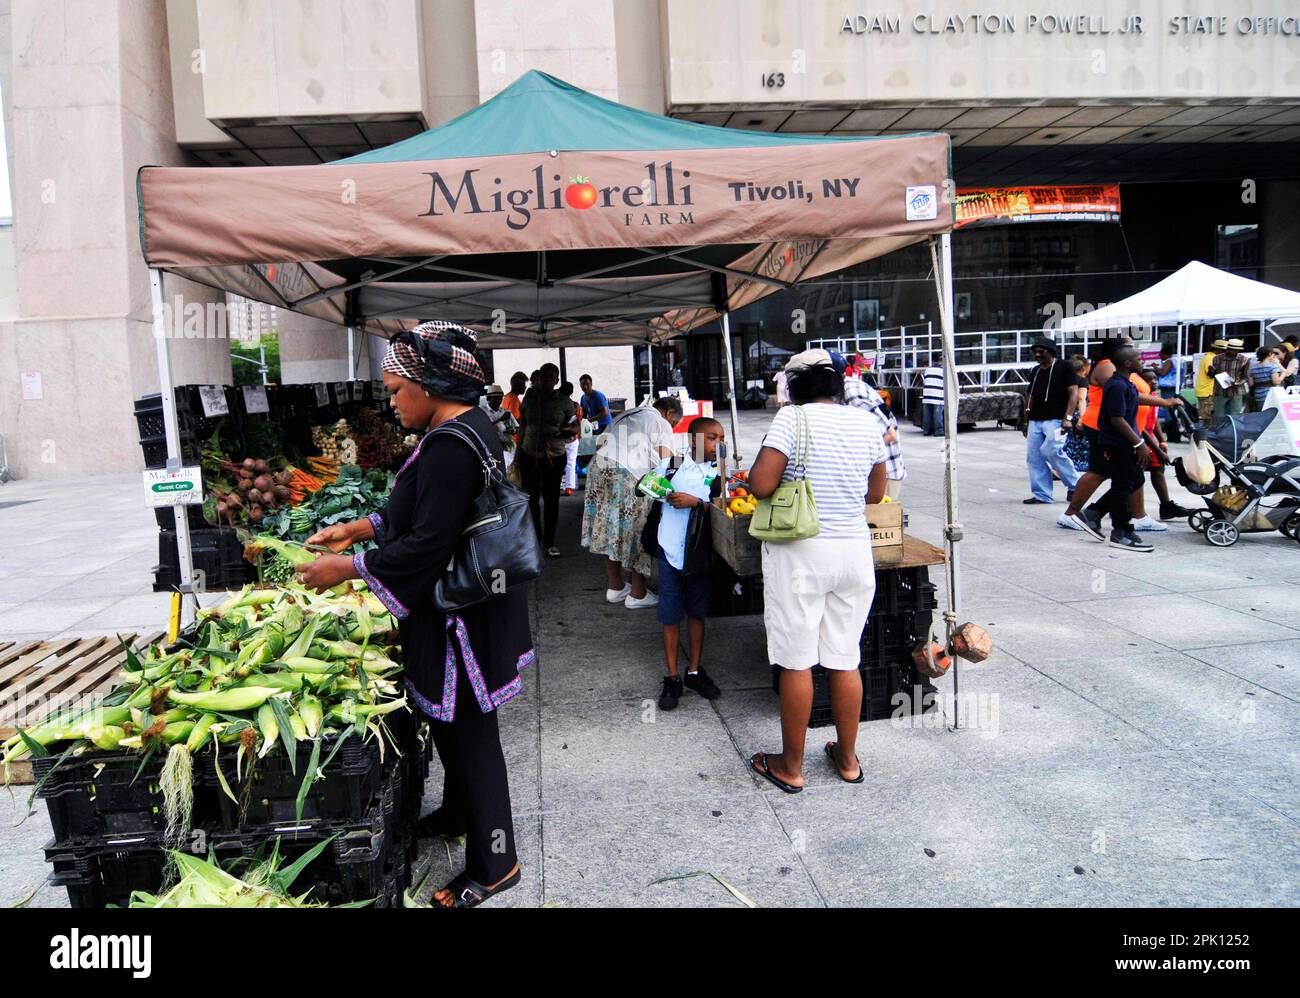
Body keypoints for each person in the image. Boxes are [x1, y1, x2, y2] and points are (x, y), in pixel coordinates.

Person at [299, 320, 529, 908]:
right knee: (452, 726)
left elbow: (428, 543)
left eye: (398, 390)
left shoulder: (452, 444)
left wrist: (349, 567)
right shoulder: (466, 425)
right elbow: (428, 511)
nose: (392, 401)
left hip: (463, 619)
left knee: (473, 735)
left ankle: (496, 862)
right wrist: (361, 526)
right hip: (471, 604)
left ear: (431, 383)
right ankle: (457, 813)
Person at [747, 350, 888, 793]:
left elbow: (761, 485)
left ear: (794, 391)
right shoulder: (867, 422)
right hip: (853, 553)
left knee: (797, 660)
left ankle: (790, 766)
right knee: (846, 658)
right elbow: (876, 491)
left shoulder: (792, 420)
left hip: (801, 553)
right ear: (838, 389)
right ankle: (847, 759)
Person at [645, 417, 725, 711]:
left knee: (697, 611)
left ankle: (694, 670)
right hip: (669, 549)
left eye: (721, 438)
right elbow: (647, 485)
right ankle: (672, 676)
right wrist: (659, 490)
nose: (718, 444)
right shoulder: (673, 464)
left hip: (699, 553)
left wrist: (698, 503)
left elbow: (722, 507)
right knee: (669, 614)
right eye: (712, 438)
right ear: (693, 440)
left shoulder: (719, 472)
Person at [1061, 338, 1180, 534]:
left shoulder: (1127, 372)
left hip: (1129, 428)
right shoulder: (1108, 368)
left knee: (1133, 475)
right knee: (1103, 472)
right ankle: (1074, 514)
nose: (1135, 350)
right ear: (1120, 354)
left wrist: (1151, 442)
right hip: (1107, 428)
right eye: (1129, 346)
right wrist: (1164, 403)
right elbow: (1123, 396)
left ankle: (1135, 516)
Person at [580, 396, 683, 608]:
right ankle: (638, 593)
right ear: (670, 414)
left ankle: (615, 587)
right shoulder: (660, 422)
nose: (671, 427)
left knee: (609, 528)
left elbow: (601, 442)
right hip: (627, 474)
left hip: (598, 468)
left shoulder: (628, 415)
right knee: (638, 529)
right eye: (674, 424)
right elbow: (668, 462)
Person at [1081, 345, 1154, 552]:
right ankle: (1121, 532)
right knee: (1123, 486)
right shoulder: (1116, 386)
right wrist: (1139, 444)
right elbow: (1117, 419)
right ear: (1128, 363)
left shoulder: (1126, 384)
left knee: (1135, 480)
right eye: (1139, 359)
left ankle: (1094, 513)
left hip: (1125, 443)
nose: (1143, 362)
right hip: (1118, 444)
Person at [516, 362, 578, 557]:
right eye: (544, 376)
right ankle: (535, 539)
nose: (547, 380)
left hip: (555, 456)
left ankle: (550, 542)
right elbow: (523, 425)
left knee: (552, 500)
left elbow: (575, 426)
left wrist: (569, 430)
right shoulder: (530, 397)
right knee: (531, 498)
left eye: (551, 377)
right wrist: (518, 454)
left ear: (556, 380)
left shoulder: (564, 401)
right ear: (538, 378)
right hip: (529, 454)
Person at [839, 352, 907, 498]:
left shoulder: (851, 393)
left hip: (883, 473)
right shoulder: (843, 390)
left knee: (880, 518)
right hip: (874, 473)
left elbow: (889, 434)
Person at [1023, 338, 1081, 505]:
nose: (1037, 354)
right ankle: (1042, 494)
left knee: (1052, 450)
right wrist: (1026, 419)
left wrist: (1068, 418)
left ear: (1051, 352)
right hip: (1036, 419)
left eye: (1042, 351)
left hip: (1056, 419)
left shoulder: (1064, 366)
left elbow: (1073, 393)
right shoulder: (1036, 370)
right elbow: (1030, 395)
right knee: (1034, 457)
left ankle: (1075, 485)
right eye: (1035, 351)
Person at [480, 383, 518, 469]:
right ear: (488, 398)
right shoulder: (482, 411)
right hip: (490, 449)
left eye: (500, 398)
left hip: (507, 449)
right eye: (496, 398)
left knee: (508, 471)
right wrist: (500, 419)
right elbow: (482, 429)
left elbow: (517, 428)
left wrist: (512, 430)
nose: (499, 400)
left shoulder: (505, 412)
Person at [1210, 338, 1250, 421]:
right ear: (1228, 349)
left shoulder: (1244, 360)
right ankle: (1219, 431)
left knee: (1235, 415)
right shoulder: (1217, 358)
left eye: (1236, 350)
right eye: (1231, 350)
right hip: (1220, 390)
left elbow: (1246, 376)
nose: (1233, 352)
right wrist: (1211, 371)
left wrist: (1238, 382)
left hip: (1236, 390)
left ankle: (1233, 431)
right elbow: (1212, 374)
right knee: (1219, 415)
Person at [1154, 342, 1182, 442]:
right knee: (1171, 410)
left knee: (1168, 411)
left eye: (1160, 354)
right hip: (1173, 388)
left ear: (1164, 353)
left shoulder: (1169, 361)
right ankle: (1173, 430)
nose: (1159, 356)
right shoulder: (1176, 360)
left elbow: (1162, 373)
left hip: (1168, 388)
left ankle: (1171, 431)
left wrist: (1155, 367)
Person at [559, 380, 581, 494]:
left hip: (561, 439)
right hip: (572, 439)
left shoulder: (557, 404)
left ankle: (563, 486)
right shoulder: (575, 405)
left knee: (559, 463)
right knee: (570, 463)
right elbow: (578, 422)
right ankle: (569, 487)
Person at [1194, 339, 1223, 423]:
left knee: (1205, 416)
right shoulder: (1211, 358)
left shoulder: (1207, 356)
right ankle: (1207, 435)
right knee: (1207, 417)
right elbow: (1210, 373)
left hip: (1204, 390)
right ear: (1219, 350)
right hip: (1207, 391)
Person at [921, 355, 944, 436]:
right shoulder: (943, 371)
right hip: (937, 395)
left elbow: (924, 382)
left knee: (927, 414)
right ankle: (939, 431)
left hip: (927, 394)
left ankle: (926, 430)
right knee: (937, 413)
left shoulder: (927, 370)